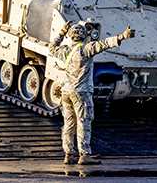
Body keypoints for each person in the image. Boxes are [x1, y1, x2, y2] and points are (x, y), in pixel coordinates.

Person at [49, 21, 135, 165]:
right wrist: (121, 36)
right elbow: (104, 44)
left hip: (66, 91)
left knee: (69, 123)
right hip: (81, 92)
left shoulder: (64, 51)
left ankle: (68, 154)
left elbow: (52, 48)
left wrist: (61, 32)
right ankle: (84, 154)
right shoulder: (85, 49)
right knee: (84, 122)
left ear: (70, 36)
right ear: (84, 36)